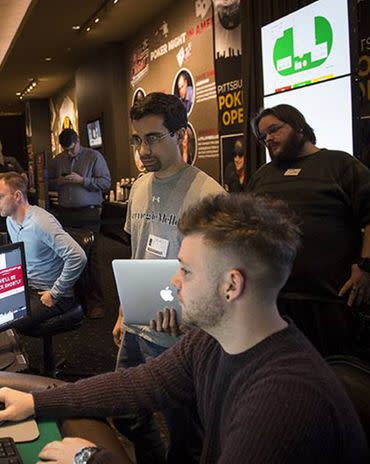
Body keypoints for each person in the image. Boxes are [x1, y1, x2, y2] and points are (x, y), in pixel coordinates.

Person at [0, 194, 368, 464]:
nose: (174, 281)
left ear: (232, 285)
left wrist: (89, 458)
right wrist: (36, 402)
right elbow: (137, 384)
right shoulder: (211, 343)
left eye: (187, 270)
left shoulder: (284, 401)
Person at [114, 92, 224, 463]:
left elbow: (221, 278)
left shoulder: (209, 195)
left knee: (185, 436)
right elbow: (137, 252)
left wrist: (192, 318)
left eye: (153, 138)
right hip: (136, 325)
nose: (142, 150)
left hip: (180, 335)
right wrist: (122, 312)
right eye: (137, 140)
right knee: (126, 415)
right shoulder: (140, 187)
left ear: (181, 135)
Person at [247, 104, 370, 356]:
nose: (268, 138)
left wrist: (369, 266)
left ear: (299, 126)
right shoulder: (262, 176)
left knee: (337, 381)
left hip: (332, 303)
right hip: (273, 303)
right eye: (263, 136)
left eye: (274, 130)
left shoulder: (339, 163)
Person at [0, 172, 86, 331]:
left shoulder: (40, 222)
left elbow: (78, 256)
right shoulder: (10, 220)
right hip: (29, 286)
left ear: (17, 196)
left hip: (53, 293)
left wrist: (55, 293)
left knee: (7, 322)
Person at [49, 128, 111, 318]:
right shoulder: (58, 160)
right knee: (69, 257)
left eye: (72, 149)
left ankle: (95, 303)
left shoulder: (94, 156)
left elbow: (106, 183)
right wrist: (57, 181)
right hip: (66, 214)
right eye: (66, 150)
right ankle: (75, 301)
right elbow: (48, 183)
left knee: (91, 258)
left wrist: (82, 180)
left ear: (78, 142)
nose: (69, 153)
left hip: (88, 214)